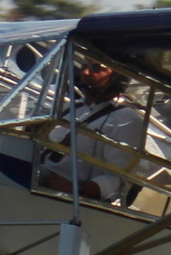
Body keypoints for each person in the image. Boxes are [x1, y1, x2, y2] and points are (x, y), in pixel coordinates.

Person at [41, 64, 147, 202]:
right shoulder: (71, 107)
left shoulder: (127, 119)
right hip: (40, 173)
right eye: (84, 67)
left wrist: (78, 188)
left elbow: (120, 178)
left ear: (117, 78)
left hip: (67, 195)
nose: (85, 72)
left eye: (96, 69)